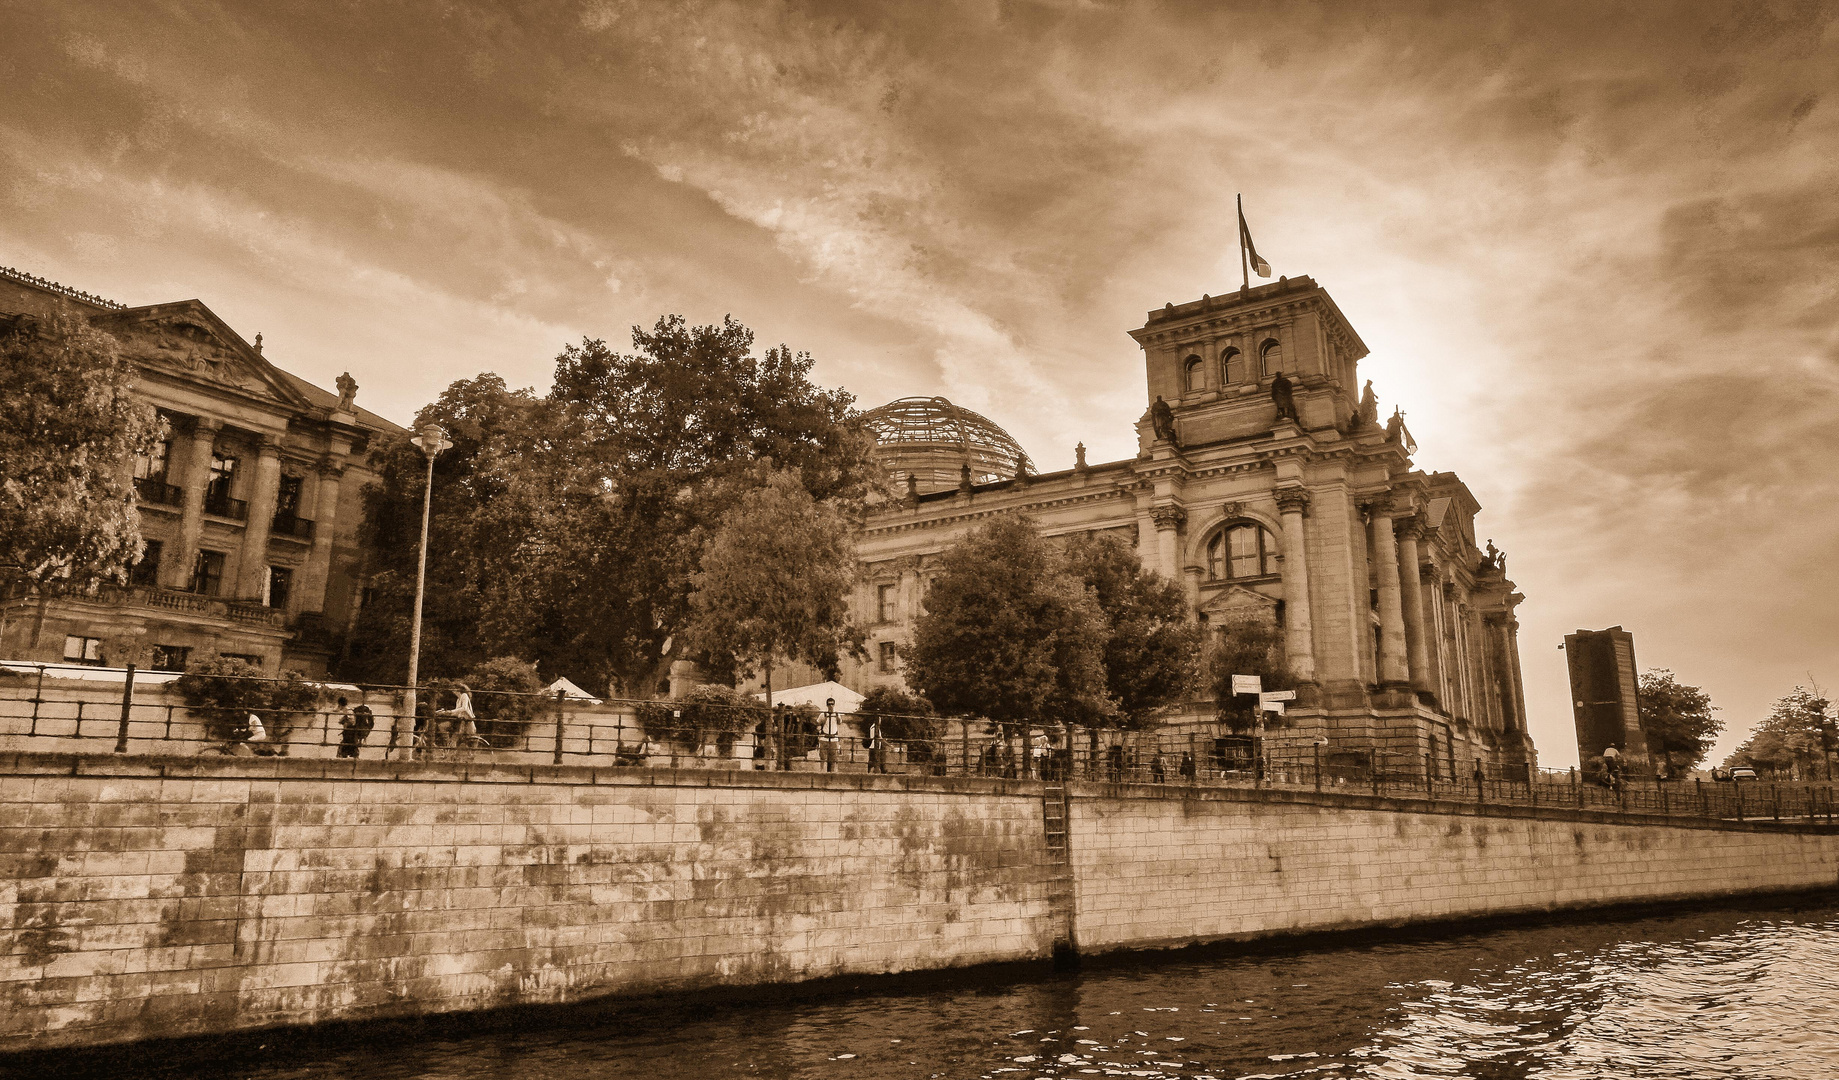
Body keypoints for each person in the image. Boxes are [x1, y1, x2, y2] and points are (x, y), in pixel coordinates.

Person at [820, 701, 840, 773]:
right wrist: (824, 719)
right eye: (829, 704)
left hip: (833, 739)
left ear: (834, 704)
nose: (830, 706)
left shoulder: (837, 714)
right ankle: (822, 772)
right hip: (824, 738)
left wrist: (836, 716)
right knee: (823, 757)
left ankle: (832, 774)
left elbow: (840, 722)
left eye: (832, 704)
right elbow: (818, 723)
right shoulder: (823, 714)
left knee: (833, 758)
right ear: (827, 705)